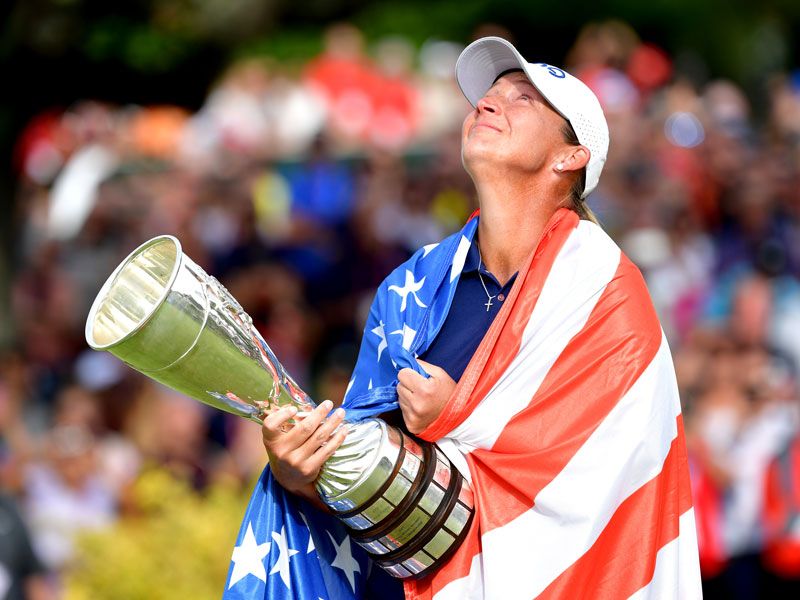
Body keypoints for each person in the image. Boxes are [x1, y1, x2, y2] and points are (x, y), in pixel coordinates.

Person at [260, 36, 702, 599]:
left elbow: (607, 490)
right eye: (488, 96)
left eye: (521, 99)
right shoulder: (410, 290)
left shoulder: (605, 291)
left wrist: (456, 419)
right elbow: (379, 497)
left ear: (570, 157)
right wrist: (303, 474)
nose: (488, 104)